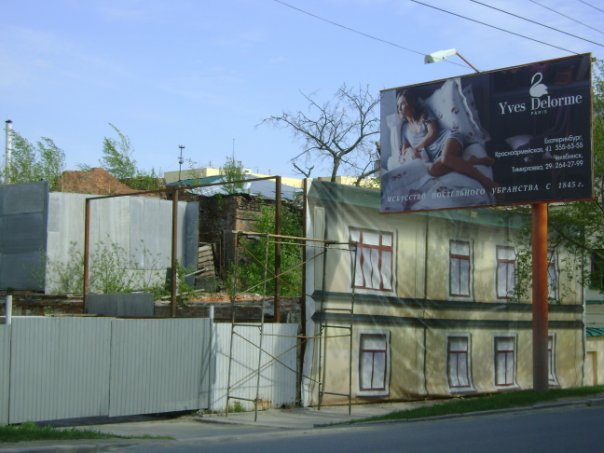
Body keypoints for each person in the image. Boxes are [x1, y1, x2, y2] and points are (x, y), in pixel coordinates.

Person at [396, 89, 497, 192]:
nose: (399, 108)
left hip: (448, 138)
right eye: (398, 105)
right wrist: (408, 154)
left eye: (402, 103)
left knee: (446, 158)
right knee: (433, 170)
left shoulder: (424, 112)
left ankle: (489, 183)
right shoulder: (404, 129)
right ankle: (471, 161)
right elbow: (405, 152)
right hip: (435, 156)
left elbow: (432, 133)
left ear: (411, 103)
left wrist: (417, 147)